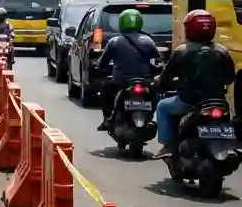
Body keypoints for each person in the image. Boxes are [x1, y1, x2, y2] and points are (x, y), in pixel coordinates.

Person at [155, 9, 236, 156]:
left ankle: (168, 145)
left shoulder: (182, 51)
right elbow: (230, 78)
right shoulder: (222, 51)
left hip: (189, 101)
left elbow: (166, 77)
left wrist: (161, 84)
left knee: (162, 106)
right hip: (218, 102)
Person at [94, 9, 159, 132]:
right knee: (155, 94)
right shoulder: (149, 41)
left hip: (121, 81)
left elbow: (102, 63)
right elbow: (157, 61)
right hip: (145, 81)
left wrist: (101, 69)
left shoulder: (114, 42)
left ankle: (108, 119)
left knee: (106, 88)